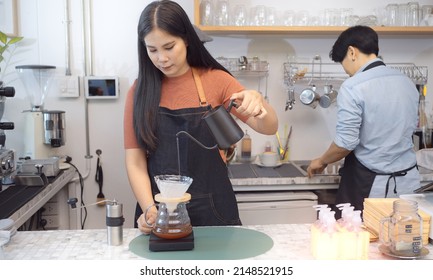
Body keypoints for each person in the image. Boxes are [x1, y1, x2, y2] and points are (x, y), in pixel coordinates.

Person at [123, 0, 278, 234]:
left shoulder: (217, 81)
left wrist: (258, 103)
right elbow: (135, 162)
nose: (162, 58)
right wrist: (148, 209)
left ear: (186, 39)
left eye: (169, 46)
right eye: (152, 50)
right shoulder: (139, 92)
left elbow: (269, 127)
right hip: (161, 210)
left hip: (214, 208)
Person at [307, 25, 420, 214]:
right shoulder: (407, 82)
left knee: (361, 240)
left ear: (352, 52)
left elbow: (345, 144)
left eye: (344, 65)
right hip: (408, 183)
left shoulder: (353, 86)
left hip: (372, 188)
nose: (347, 72)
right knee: (405, 239)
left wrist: (322, 161)